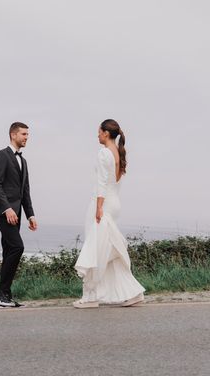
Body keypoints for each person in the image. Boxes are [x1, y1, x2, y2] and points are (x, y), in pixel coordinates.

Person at [73, 119, 145, 308]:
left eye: (98, 131)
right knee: (109, 250)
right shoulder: (118, 153)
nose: (97, 135)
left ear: (106, 133)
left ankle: (90, 297)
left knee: (95, 248)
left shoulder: (104, 152)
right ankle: (133, 292)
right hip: (114, 203)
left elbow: (102, 182)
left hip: (103, 204)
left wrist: (98, 208)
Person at [0, 122, 38, 308]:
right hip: (2, 211)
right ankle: (2, 294)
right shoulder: (1, 155)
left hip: (16, 213)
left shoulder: (23, 161)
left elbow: (25, 191)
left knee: (9, 251)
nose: (26, 137)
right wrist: (7, 208)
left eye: (27, 134)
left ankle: (4, 296)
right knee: (17, 247)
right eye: (23, 134)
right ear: (13, 134)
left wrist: (30, 215)